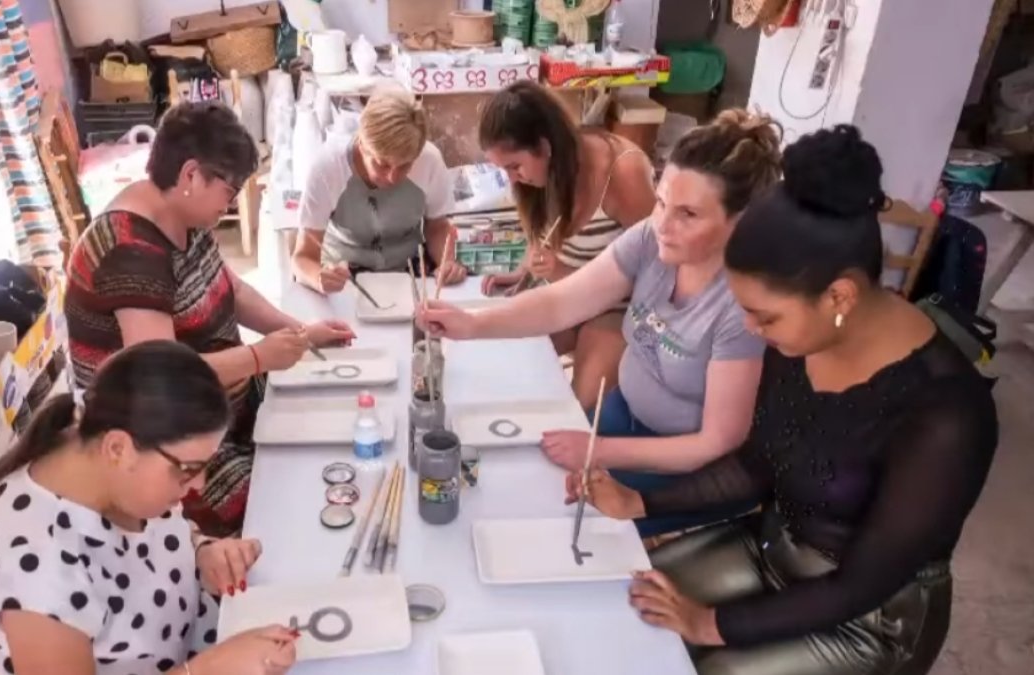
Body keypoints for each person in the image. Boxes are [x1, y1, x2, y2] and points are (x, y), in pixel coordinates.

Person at [565, 126, 999, 675]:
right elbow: (755, 464)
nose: (750, 330)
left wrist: (709, 625)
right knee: (620, 602)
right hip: (770, 549)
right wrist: (638, 504)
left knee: (704, 666)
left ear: (839, 295)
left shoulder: (945, 414)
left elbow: (860, 586)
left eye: (764, 316)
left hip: (867, 619)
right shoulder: (799, 341)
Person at [419, 109, 780, 535]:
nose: (663, 223)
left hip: (681, 466)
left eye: (689, 214)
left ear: (739, 221)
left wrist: (601, 451)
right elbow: (561, 302)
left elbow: (716, 442)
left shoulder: (742, 307)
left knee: (571, 527)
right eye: (662, 201)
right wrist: (471, 324)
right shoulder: (651, 238)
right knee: (522, 482)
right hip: (621, 412)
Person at [65, 102, 354, 536]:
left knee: (322, 426)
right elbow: (160, 377)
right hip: (164, 440)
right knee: (282, 506)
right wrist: (258, 357)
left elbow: (230, 290)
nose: (232, 203)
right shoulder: (129, 251)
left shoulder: (181, 213)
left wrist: (296, 331)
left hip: (220, 398)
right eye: (230, 190)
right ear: (191, 175)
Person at [0, 341, 298, 674]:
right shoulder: (36, 574)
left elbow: (156, 536)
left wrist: (201, 551)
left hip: (203, 638)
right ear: (118, 449)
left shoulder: (98, 445)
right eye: (189, 470)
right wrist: (209, 668)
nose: (199, 485)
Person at [474, 81, 657, 410]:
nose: (512, 179)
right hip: (565, 295)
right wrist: (525, 268)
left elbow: (658, 270)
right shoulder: (541, 174)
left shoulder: (621, 173)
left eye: (514, 166)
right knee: (501, 365)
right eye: (503, 170)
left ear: (544, 147)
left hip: (619, 306)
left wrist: (563, 272)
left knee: (578, 411)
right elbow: (543, 236)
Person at [290, 90, 467, 293]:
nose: (393, 177)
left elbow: (437, 227)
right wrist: (318, 277)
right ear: (362, 145)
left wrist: (447, 262)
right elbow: (302, 257)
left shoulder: (429, 159)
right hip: (344, 278)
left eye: (405, 166)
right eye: (382, 165)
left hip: (407, 273)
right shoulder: (327, 167)